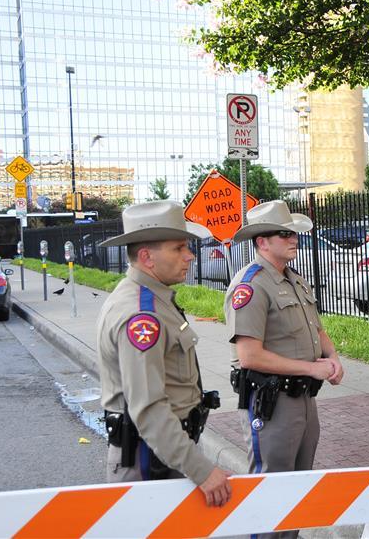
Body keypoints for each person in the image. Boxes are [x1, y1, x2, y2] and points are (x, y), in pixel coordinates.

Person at [97, 200, 231, 507]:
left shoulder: (153, 299)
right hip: (150, 462)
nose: (190, 256)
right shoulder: (142, 315)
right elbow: (149, 409)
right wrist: (202, 470)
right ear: (147, 257)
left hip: (164, 454)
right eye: (179, 248)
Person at [225, 201, 343, 538]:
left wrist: (332, 358)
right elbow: (249, 356)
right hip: (273, 403)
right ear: (262, 241)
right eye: (284, 233)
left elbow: (316, 330)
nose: (293, 238)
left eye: (293, 232)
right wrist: (311, 368)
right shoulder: (250, 286)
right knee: (270, 492)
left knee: (297, 491)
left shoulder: (294, 280)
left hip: (304, 399)